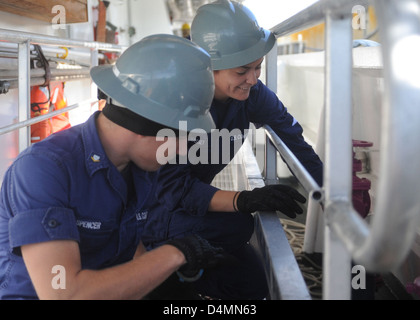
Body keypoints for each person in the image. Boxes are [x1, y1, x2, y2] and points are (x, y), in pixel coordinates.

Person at [0, 34, 224, 300]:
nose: (182, 151)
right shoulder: (43, 170)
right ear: (145, 126)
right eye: (181, 137)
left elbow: (130, 245)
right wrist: (175, 254)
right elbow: (63, 294)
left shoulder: (141, 167)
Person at [142, 0, 323, 300]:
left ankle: (187, 274)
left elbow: (288, 132)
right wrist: (244, 199)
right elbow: (172, 188)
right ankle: (163, 278)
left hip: (188, 201)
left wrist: (327, 188)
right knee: (236, 225)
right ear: (206, 67)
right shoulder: (175, 103)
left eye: (257, 68)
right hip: (151, 211)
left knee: (252, 282)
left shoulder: (249, 93)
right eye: (242, 71)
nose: (253, 79)